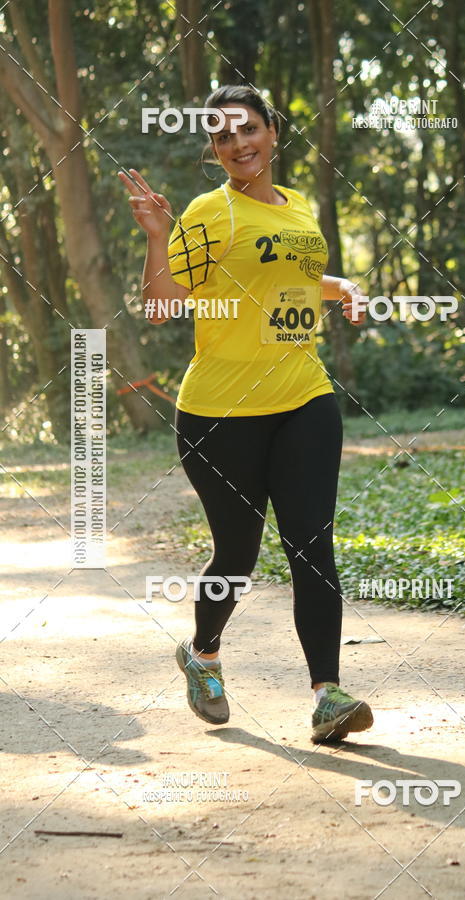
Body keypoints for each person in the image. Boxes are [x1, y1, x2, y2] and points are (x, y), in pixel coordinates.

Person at [119, 84, 373, 743]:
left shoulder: (299, 210)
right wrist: (155, 237)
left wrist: (339, 285)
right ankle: (202, 652)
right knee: (238, 553)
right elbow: (161, 306)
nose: (238, 143)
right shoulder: (211, 213)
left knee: (311, 544)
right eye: (223, 136)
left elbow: (287, 278)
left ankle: (327, 694)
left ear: (272, 132)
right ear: (215, 150)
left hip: (304, 398)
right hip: (219, 414)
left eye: (248, 129)